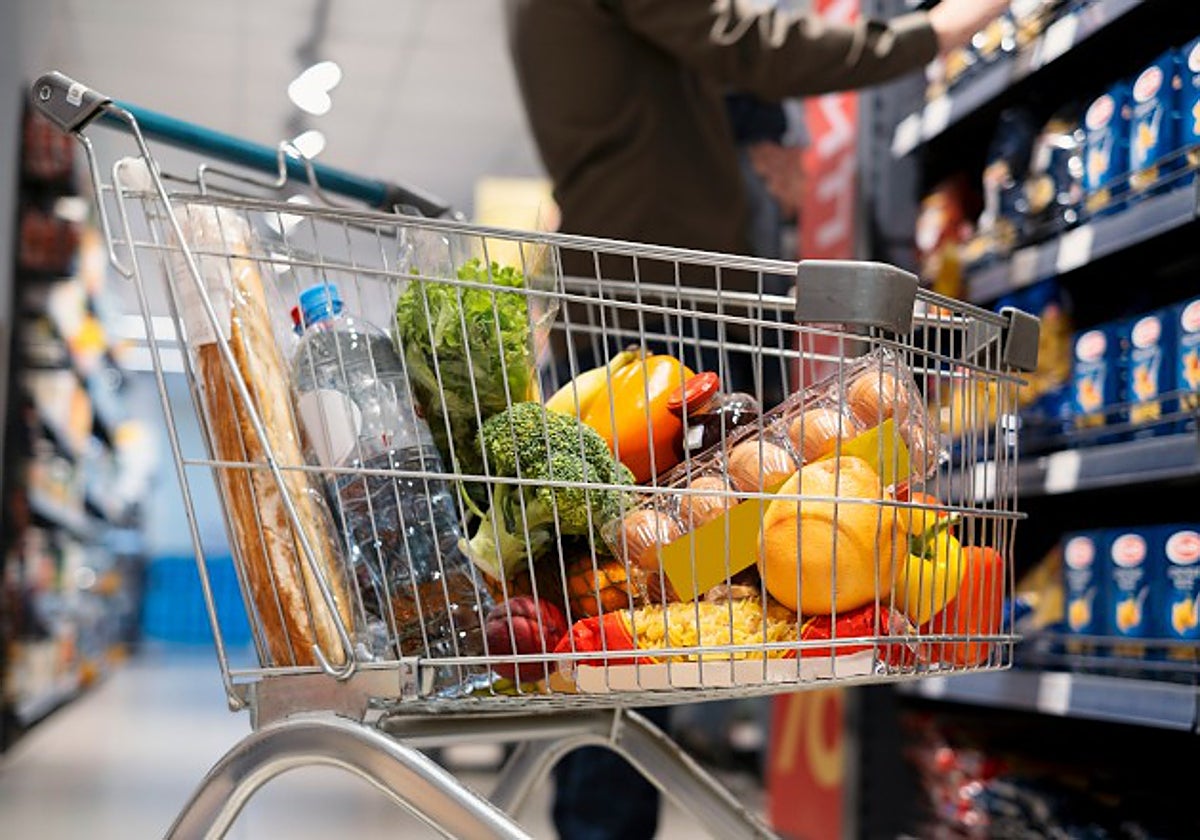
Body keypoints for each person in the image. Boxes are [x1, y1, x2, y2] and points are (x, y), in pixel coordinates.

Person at [503, 2, 1010, 838]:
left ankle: (600, 820)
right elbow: (750, 45)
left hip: (629, 304)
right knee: (638, 615)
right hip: (657, 321)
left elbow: (672, 65)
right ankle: (601, 827)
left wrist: (752, 135)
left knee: (635, 606)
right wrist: (936, 33)